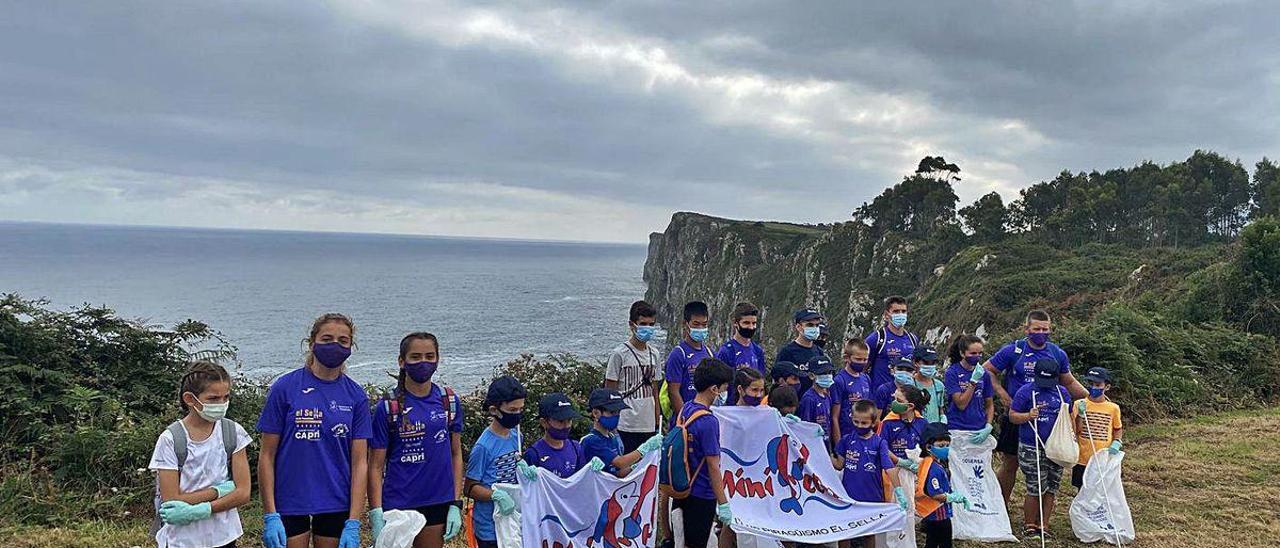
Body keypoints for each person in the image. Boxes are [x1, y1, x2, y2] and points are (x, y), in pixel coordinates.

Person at [257, 313, 371, 548]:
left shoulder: (356, 396)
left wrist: (354, 521)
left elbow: (360, 462)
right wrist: (270, 514)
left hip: (336, 501)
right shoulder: (285, 388)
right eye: (327, 338)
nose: (335, 345)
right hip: (289, 501)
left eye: (343, 340)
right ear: (312, 343)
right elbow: (266, 455)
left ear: (351, 346)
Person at [368, 333, 464, 547]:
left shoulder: (449, 402)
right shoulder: (387, 407)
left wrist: (456, 504)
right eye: (416, 356)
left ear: (438, 359)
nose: (423, 362)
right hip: (398, 505)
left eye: (430, 356)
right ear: (402, 361)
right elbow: (374, 466)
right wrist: (376, 511)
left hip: (437, 501)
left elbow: (456, 454)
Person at [984, 310, 1086, 503]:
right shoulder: (1013, 350)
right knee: (1010, 463)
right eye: (1037, 329)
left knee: (1049, 464)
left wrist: (1093, 399)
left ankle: (1039, 518)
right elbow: (987, 370)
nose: (1041, 332)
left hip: (1049, 420)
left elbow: (1069, 382)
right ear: (1027, 329)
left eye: (1045, 329)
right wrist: (1003, 395)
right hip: (1017, 416)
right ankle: (1000, 507)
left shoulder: (1057, 353)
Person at [150, 361, 252, 548]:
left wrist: (202, 509)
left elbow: (244, 493)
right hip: (182, 540)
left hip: (225, 536)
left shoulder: (233, 432)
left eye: (226, 397)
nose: (222, 404)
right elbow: (171, 502)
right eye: (213, 398)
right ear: (190, 399)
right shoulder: (171, 440)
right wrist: (219, 491)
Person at [672, 358, 735, 548]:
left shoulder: (686, 408)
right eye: (724, 388)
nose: (725, 393)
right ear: (714, 389)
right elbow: (713, 466)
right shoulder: (708, 421)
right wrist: (723, 504)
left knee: (683, 541)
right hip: (702, 494)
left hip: (683, 487)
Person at [1008, 359, 1073, 540]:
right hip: (1031, 445)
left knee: (1052, 486)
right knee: (1036, 485)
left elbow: (1069, 417)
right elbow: (1012, 416)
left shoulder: (1062, 393)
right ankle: (1030, 525)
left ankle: (1044, 524)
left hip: (1056, 446)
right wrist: (1028, 415)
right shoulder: (1025, 392)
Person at [464, 376, 527, 548]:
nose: (517, 415)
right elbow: (469, 487)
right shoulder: (483, 446)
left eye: (521, 409)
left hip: (513, 520)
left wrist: (525, 468)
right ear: (494, 410)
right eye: (513, 410)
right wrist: (495, 496)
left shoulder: (516, 436)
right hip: (489, 526)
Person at [834, 400, 906, 548]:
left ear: (874, 422)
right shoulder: (847, 440)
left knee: (869, 533)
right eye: (856, 421)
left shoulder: (879, 443)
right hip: (848, 497)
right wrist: (820, 446)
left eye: (864, 423)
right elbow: (839, 465)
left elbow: (889, 468)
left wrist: (899, 490)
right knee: (845, 532)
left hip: (871, 497)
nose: (859, 426)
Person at [605, 300, 665, 454]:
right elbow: (609, 391)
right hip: (626, 423)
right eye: (643, 324)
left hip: (648, 424)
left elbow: (655, 391)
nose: (648, 329)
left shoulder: (655, 354)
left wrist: (657, 421)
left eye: (651, 325)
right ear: (632, 325)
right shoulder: (619, 354)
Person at [581, 388, 663, 477]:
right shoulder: (591, 440)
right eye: (612, 412)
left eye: (618, 412)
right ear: (596, 413)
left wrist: (637, 467)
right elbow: (620, 463)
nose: (616, 416)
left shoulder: (612, 438)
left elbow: (618, 473)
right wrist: (645, 448)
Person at [519, 393, 599, 479]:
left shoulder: (576, 448)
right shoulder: (534, 454)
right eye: (560, 421)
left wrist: (591, 470)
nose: (566, 425)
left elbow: (583, 481)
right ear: (544, 422)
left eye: (569, 420)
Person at [915, 423, 969, 548]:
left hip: (935, 513)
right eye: (941, 446)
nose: (945, 448)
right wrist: (951, 497)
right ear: (928, 447)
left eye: (947, 445)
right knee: (944, 543)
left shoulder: (934, 463)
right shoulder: (933, 469)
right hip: (938, 513)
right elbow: (935, 493)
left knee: (932, 542)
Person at [1070, 367, 1123, 488]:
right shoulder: (1079, 404)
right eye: (1091, 384)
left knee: (1100, 490)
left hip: (1102, 459)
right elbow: (1076, 430)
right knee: (1082, 490)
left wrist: (1117, 442)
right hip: (1082, 458)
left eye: (1098, 384)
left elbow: (1117, 428)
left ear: (1107, 387)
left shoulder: (1113, 408)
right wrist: (1080, 416)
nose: (1093, 387)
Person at [665, 301, 716, 420]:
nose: (701, 328)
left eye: (704, 324)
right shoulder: (678, 354)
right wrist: (685, 418)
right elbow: (673, 391)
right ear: (685, 324)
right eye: (696, 324)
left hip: (705, 417)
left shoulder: (710, 353)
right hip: (685, 420)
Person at [944, 334, 996, 443]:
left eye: (980, 353)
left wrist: (988, 425)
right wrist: (972, 383)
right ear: (962, 353)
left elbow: (989, 403)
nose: (977, 356)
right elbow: (961, 404)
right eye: (973, 353)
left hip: (979, 428)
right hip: (957, 428)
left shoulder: (984, 373)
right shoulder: (952, 372)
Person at [715, 302, 767, 407]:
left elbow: (762, 382)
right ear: (735, 323)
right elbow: (720, 386)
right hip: (732, 409)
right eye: (746, 323)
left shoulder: (757, 351)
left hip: (754, 407)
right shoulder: (726, 351)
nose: (751, 327)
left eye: (754, 323)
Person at [864, 296, 919, 392]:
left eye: (903, 311)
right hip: (881, 398)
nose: (900, 315)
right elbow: (863, 368)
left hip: (905, 398)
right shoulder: (876, 339)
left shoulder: (913, 339)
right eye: (896, 311)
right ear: (886, 314)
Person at [831, 338, 873, 443]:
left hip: (864, 437)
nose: (862, 363)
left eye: (865, 360)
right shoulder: (839, 380)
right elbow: (834, 416)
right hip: (846, 436)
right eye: (858, 359)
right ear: (847, 358)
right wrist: (838, 445)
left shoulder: (866, 378)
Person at [775, 308, 825, 396]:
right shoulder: (787, 352)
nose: (814, 328)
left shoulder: (819, 352)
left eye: (817, 325)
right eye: (810, 325)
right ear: (798, 327)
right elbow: (778, 380)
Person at [879, 384, 930, 471]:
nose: (894, 403)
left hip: (916, 471)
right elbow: (882, 447)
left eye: (899, 400)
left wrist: (921, 462)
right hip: (893, 470)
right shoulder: (888, 422)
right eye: (894, 399)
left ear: (910, 406)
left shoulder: (922, 423)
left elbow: (927, 448)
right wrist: (899, 461)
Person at [798, 355, 836, 450]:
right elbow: (805, 427)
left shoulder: (827, 397)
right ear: (811, 376)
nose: (827, 376)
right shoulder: (809, 399)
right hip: (813, 447)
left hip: (826, 445)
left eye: (829, 372)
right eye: (823, 373)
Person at [912, 346, 947, 424]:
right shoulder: (910, 384)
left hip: (934, 430)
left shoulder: (939, 386)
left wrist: (942, 420)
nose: (930, 366)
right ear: (915, 362)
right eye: (926, 362)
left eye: (933, 362)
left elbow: (940, 409)